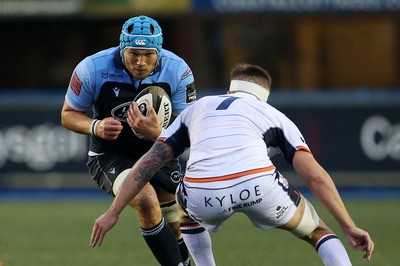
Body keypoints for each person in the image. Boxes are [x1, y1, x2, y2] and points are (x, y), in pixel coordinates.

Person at [89, 63, 374, 265]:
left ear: (231, 88)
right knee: (319, 232)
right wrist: (349, 226)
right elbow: (315, 176)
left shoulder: (199, 107)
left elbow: (148, 162)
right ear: (264, 94)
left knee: (186, 213)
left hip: (203, 194)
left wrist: (113, 212)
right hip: (260, 186)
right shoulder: (272, 114)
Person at [61, 15, 206, 266]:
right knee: (145, 199)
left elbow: (192, 127)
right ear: (121, 48)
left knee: (176, 225)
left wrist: (157, 132)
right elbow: (67, 115)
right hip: (110, 156)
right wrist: (95, 126)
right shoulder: (91, 68)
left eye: (148, 54)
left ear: (159, 51)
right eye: (133, 54)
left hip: (159, 151)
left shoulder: (178, 70)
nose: (140, 62)